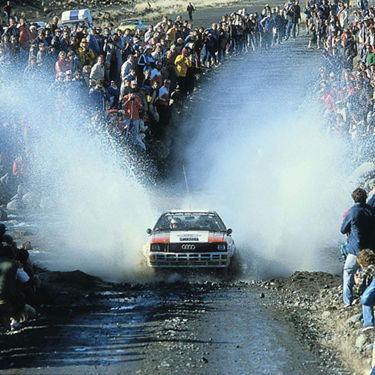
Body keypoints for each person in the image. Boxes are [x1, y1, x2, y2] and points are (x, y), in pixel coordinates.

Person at [340, 188, 375, 307]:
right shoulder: (371, 210)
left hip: (355, 249)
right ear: (365, 197)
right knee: (369, 274)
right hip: (370, 249)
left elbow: (343, 229)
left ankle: (347, 302)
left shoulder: (352, 211)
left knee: (348, 273)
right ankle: (367, 299)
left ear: (354, 198)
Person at [353, 249, 375, 331]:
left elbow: (358, 290)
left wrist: (357, 282)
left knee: (366, 298)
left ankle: (368, 324)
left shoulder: (366, 271)